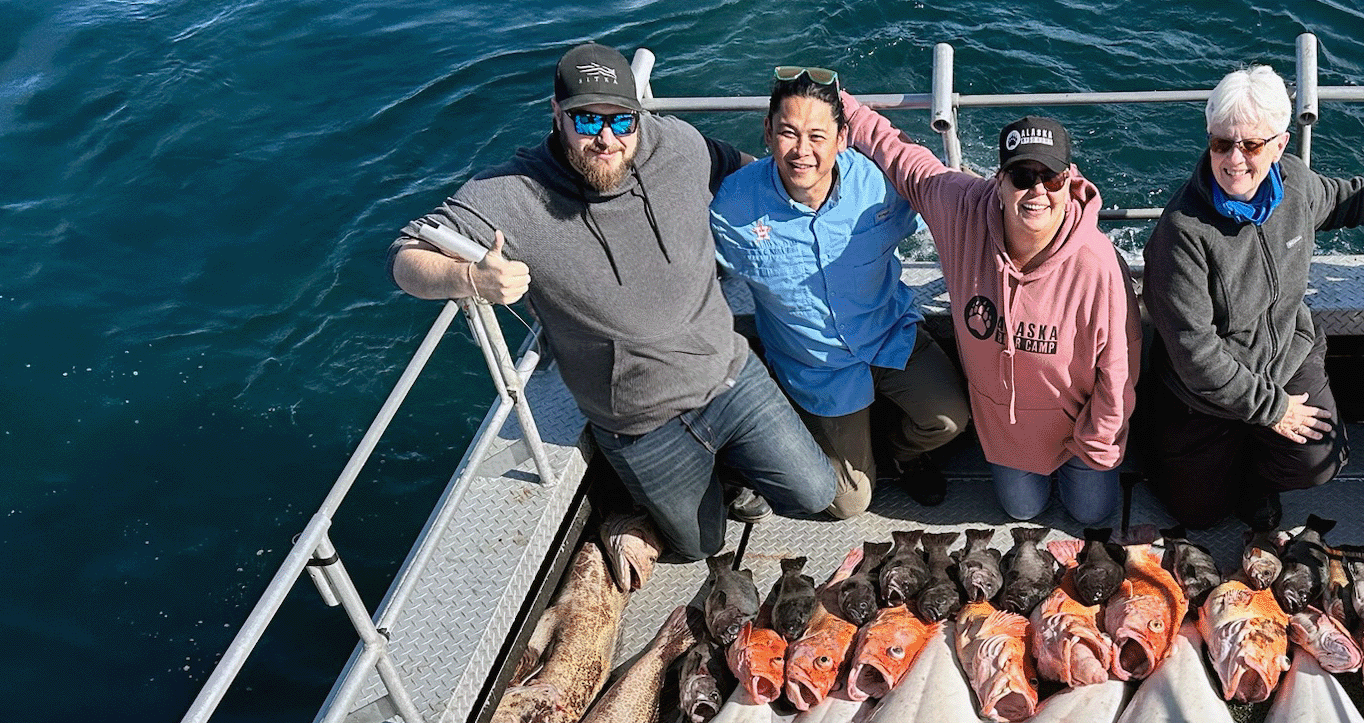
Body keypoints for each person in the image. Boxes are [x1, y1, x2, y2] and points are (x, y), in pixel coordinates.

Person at [389, 43, 836, 561]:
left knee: (816, 495)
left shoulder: (678, 145)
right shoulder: (511, 194)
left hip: (729, 376)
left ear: (638, 116)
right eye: (586, 120)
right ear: (556, 114)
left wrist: (811, 205)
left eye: (622, 121)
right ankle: (631, 504)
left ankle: (722, 471)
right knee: (700, 547)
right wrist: (471, 277)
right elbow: (406, 256)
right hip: (638, 423)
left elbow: (741, 169)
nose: (606, 139)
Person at [1141, 65, 1364, 531]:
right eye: (1221, 142)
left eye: (1251, 145)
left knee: (1319, 461)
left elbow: (1338, 198)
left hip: (1286, 355)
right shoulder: (1182, 231)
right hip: (1204, 392)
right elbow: (1194, 352)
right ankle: (1210, 452)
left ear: (1280, 146)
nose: (1234, 159)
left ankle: (1254, 475)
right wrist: (1272, 410)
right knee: (1197, 515)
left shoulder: (1295, 182)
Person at [840, 91, 1140, 527]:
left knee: (1093, 513)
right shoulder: (961, 209)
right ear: (999, 180)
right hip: (1008, 433)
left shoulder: (1096, 262)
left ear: (1069, 180)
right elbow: (903, 159)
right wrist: (844, 105)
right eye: (1022, 176)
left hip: (1082, 426)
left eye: (1050, 178)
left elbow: (1119, 369)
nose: (1037, 190)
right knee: (1021, 508)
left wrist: (1097, 443)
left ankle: (1084, 464)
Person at [710, 68, 970, 518]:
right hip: (816, 363)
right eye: (788, 133)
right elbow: (692, 271)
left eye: (817, 135)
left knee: (950, 419)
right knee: (849, 503)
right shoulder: (733, 205)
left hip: (888, 335)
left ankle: (902, 452)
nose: (802, 151)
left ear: (842, 138)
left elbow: (957, 212)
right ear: (767, 133)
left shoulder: (880, 185)